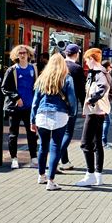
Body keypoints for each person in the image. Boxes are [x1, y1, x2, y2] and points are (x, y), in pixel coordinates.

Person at [30, 53, 77, 191]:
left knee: (42, 146)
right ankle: (51, 181)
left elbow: (35, 102)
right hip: (60, 114)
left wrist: (32, 120)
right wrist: (72, 112)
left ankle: (41, 175)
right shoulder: (67, 78)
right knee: (55, 146)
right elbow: (72, 99)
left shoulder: (42, 78)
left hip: (42, 114)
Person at [76, 48, 111, 187]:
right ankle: (98, 175)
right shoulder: (99, 72)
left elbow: (104, 88)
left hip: (94, 112)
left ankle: (90, 174)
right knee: (97, 143)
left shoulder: (99, 73)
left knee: (85, 143)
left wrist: (92, 100)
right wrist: (104, 103)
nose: (86, 63)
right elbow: (111, 90)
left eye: (86, 60)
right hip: (97, 112)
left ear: (91, 59)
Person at [0, 45, 37, 169]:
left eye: (24, 53)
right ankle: (14, 159)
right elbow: (4, 88)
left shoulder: (33, 69)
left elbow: (37, 86)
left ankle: (34, 158)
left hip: (29, 107)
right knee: (13, 134)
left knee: (32, 133)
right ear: (16, 55)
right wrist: (16, 98)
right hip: (15, 108)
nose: (22, 55)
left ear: (28, 54)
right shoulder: (12, 70)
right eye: (20, 53)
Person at [57, 44, 86, 172]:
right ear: (76, 54)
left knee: (59, 133)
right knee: (68, 133)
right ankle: (56, 158)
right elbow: (81, 90)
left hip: (56, 103)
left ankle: (65, 161)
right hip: (70, 104)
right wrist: (84, 106)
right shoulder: (77, 68)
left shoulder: (58, 65)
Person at [101, 60, 112, 149]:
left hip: (99, 102)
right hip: (103, 103)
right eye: (110, 67)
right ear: (106, 67)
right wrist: (108, 99)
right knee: (106, 121)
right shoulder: (106, 75)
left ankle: (101, 141)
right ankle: (103, 142)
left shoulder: (97, 73)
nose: (111, 68)